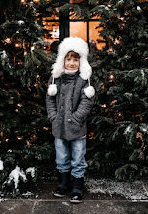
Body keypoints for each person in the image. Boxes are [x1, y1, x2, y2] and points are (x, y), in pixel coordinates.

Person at [46, 37, 95, 203]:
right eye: (68, 59)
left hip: (78, 128)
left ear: (81, 61)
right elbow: (50, 100)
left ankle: (77, 187)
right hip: (58, 128)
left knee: (78, 158)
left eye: (76, 59)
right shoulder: (55, 79)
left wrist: (76, 119)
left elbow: (86, 102)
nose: (72, 63)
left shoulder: (83, 81)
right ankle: (64, 183)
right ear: (62, 60)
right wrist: (53, 117)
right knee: (61, 157)